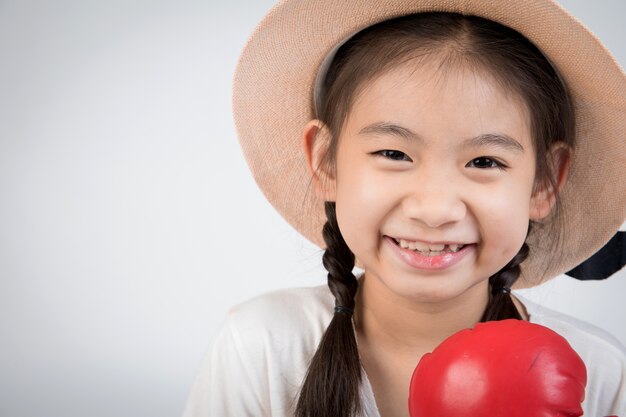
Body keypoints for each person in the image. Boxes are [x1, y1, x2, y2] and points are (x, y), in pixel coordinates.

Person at [184, 0, 626, 416]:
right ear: (325, 161)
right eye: (394, 154)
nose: (434, 209)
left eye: (485, 161)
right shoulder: (262, 346)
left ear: (544, 182)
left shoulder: (602, 374)